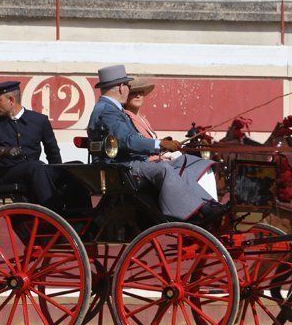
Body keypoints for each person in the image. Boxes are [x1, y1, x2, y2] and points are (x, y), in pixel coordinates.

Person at [87, 65, 225, 224]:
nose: (128, 89)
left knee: (180, 163)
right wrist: (159, 144)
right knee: (164, 169)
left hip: (125, 165)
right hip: (120, 167)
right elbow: (127, 140)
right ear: (120, 87)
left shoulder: (109, 108)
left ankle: (206, 204)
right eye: (127, 85)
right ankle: (190, 214)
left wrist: (161, 146)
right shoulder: (108, 110)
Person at [0, 81, 62, 207]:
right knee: (37, 166)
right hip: (6, 175)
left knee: (75, 167)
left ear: (11, 100)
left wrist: (59, 173)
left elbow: (53, 153)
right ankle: (54, 212)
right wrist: (3, 150)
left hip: (36, 173)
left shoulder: (39, 121)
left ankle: (80, 219)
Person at [124, 77, 218, 199]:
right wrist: (161, 146)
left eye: (141, 92)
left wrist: (165, 143)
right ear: (126, 96)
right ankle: (203, 204)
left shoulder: (142, 118)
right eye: (134, 93)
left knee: (205, 166)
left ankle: (209, 202)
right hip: (149, 164)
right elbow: (137, 144)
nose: (138, 96)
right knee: (198, 169)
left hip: (160, 159)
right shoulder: (126, 118)